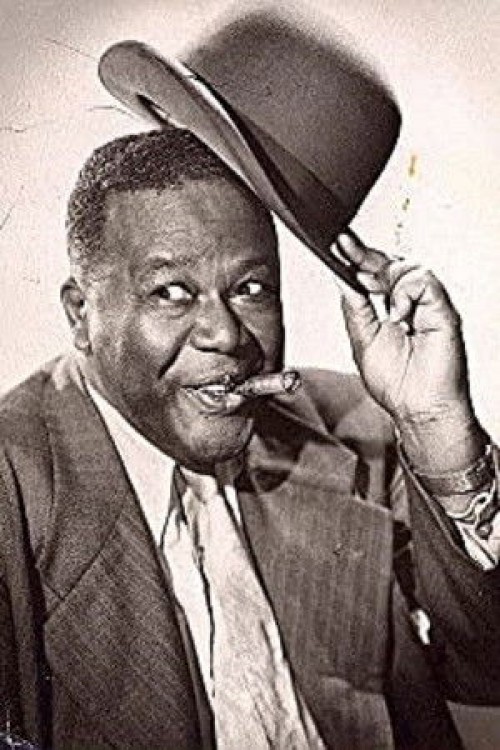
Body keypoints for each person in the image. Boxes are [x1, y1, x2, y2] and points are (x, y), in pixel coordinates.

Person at [0, 127, 499, 750]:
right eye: (172, 292)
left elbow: (489, 667)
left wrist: (435, 423)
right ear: (81, 314)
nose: (227, 335)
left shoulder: (359, 426)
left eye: (249, 289)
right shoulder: (13, 488)